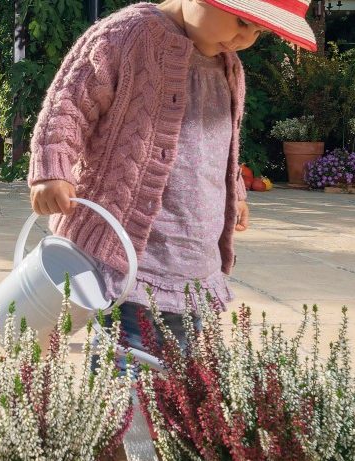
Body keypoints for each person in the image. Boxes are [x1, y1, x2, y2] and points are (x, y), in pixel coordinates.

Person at [26, 0, 316, 359]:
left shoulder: (229, 66)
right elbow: (69, 104)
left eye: (259, 31)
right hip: (132, 248)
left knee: (180, 362)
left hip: (194, 250)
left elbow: (221, 142)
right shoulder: (127, 34)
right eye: (242, 22)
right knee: (132, 360)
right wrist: (52, 167)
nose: (245, 38)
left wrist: (235, 190)